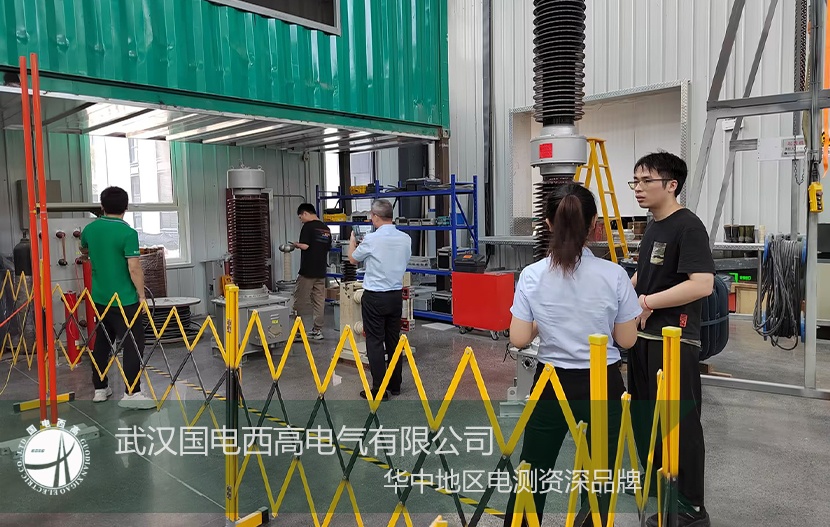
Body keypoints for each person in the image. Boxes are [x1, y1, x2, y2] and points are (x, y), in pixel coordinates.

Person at [502, 183, 641, 526]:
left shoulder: (532, 275)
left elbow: (518, 338)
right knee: (600, 473)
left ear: (548, 223)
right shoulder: (615, 275)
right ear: (594, 224)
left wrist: (545, 321)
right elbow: (627, 339)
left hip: (552, 382)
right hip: (603, 382)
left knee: (533, 468)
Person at [628, 152, 714, 527]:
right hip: (644, 337)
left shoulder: (687, 227)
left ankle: (691, 507)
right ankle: (664, 494)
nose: (638, 188)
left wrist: (648, 302)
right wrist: (620, 295)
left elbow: (702, 284)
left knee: (680, 423)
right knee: (648, 420)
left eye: (646, 181)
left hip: (674, 340)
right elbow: (643, 277)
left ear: (671, 185)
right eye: (635, 181)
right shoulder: (653, 228)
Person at [81, 186, 155, 410]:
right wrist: (142, 295)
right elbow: (134, 268)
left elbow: (84, 251)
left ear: (102, 206)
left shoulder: (90, 229)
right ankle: (132, 393)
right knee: (133, 344)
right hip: (124, 300)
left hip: (100, 298)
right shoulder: (128, 233)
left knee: (102, 342)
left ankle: (100, 389)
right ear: (126, 207)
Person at [347, 199, 412, 401]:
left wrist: (352, 242)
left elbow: (353, 259)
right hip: (395, 296)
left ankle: (379, 390)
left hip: (375, 296)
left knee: (375, 342)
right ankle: (395, 385)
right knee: (393, 340)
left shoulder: (372, 239)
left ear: (374, 217)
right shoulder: (405, 238)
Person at [291, 203, 332, 340]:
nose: (301, 220)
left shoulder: (308, 227)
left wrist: (296, 244)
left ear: (305, 213)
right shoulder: (326, 229)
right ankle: (317, 330)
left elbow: (305, 246)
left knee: (299, 300)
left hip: (307, 271)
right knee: (319, 301)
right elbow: (327, 247)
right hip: (320, 270)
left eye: (300, 217)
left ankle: (298, 331)